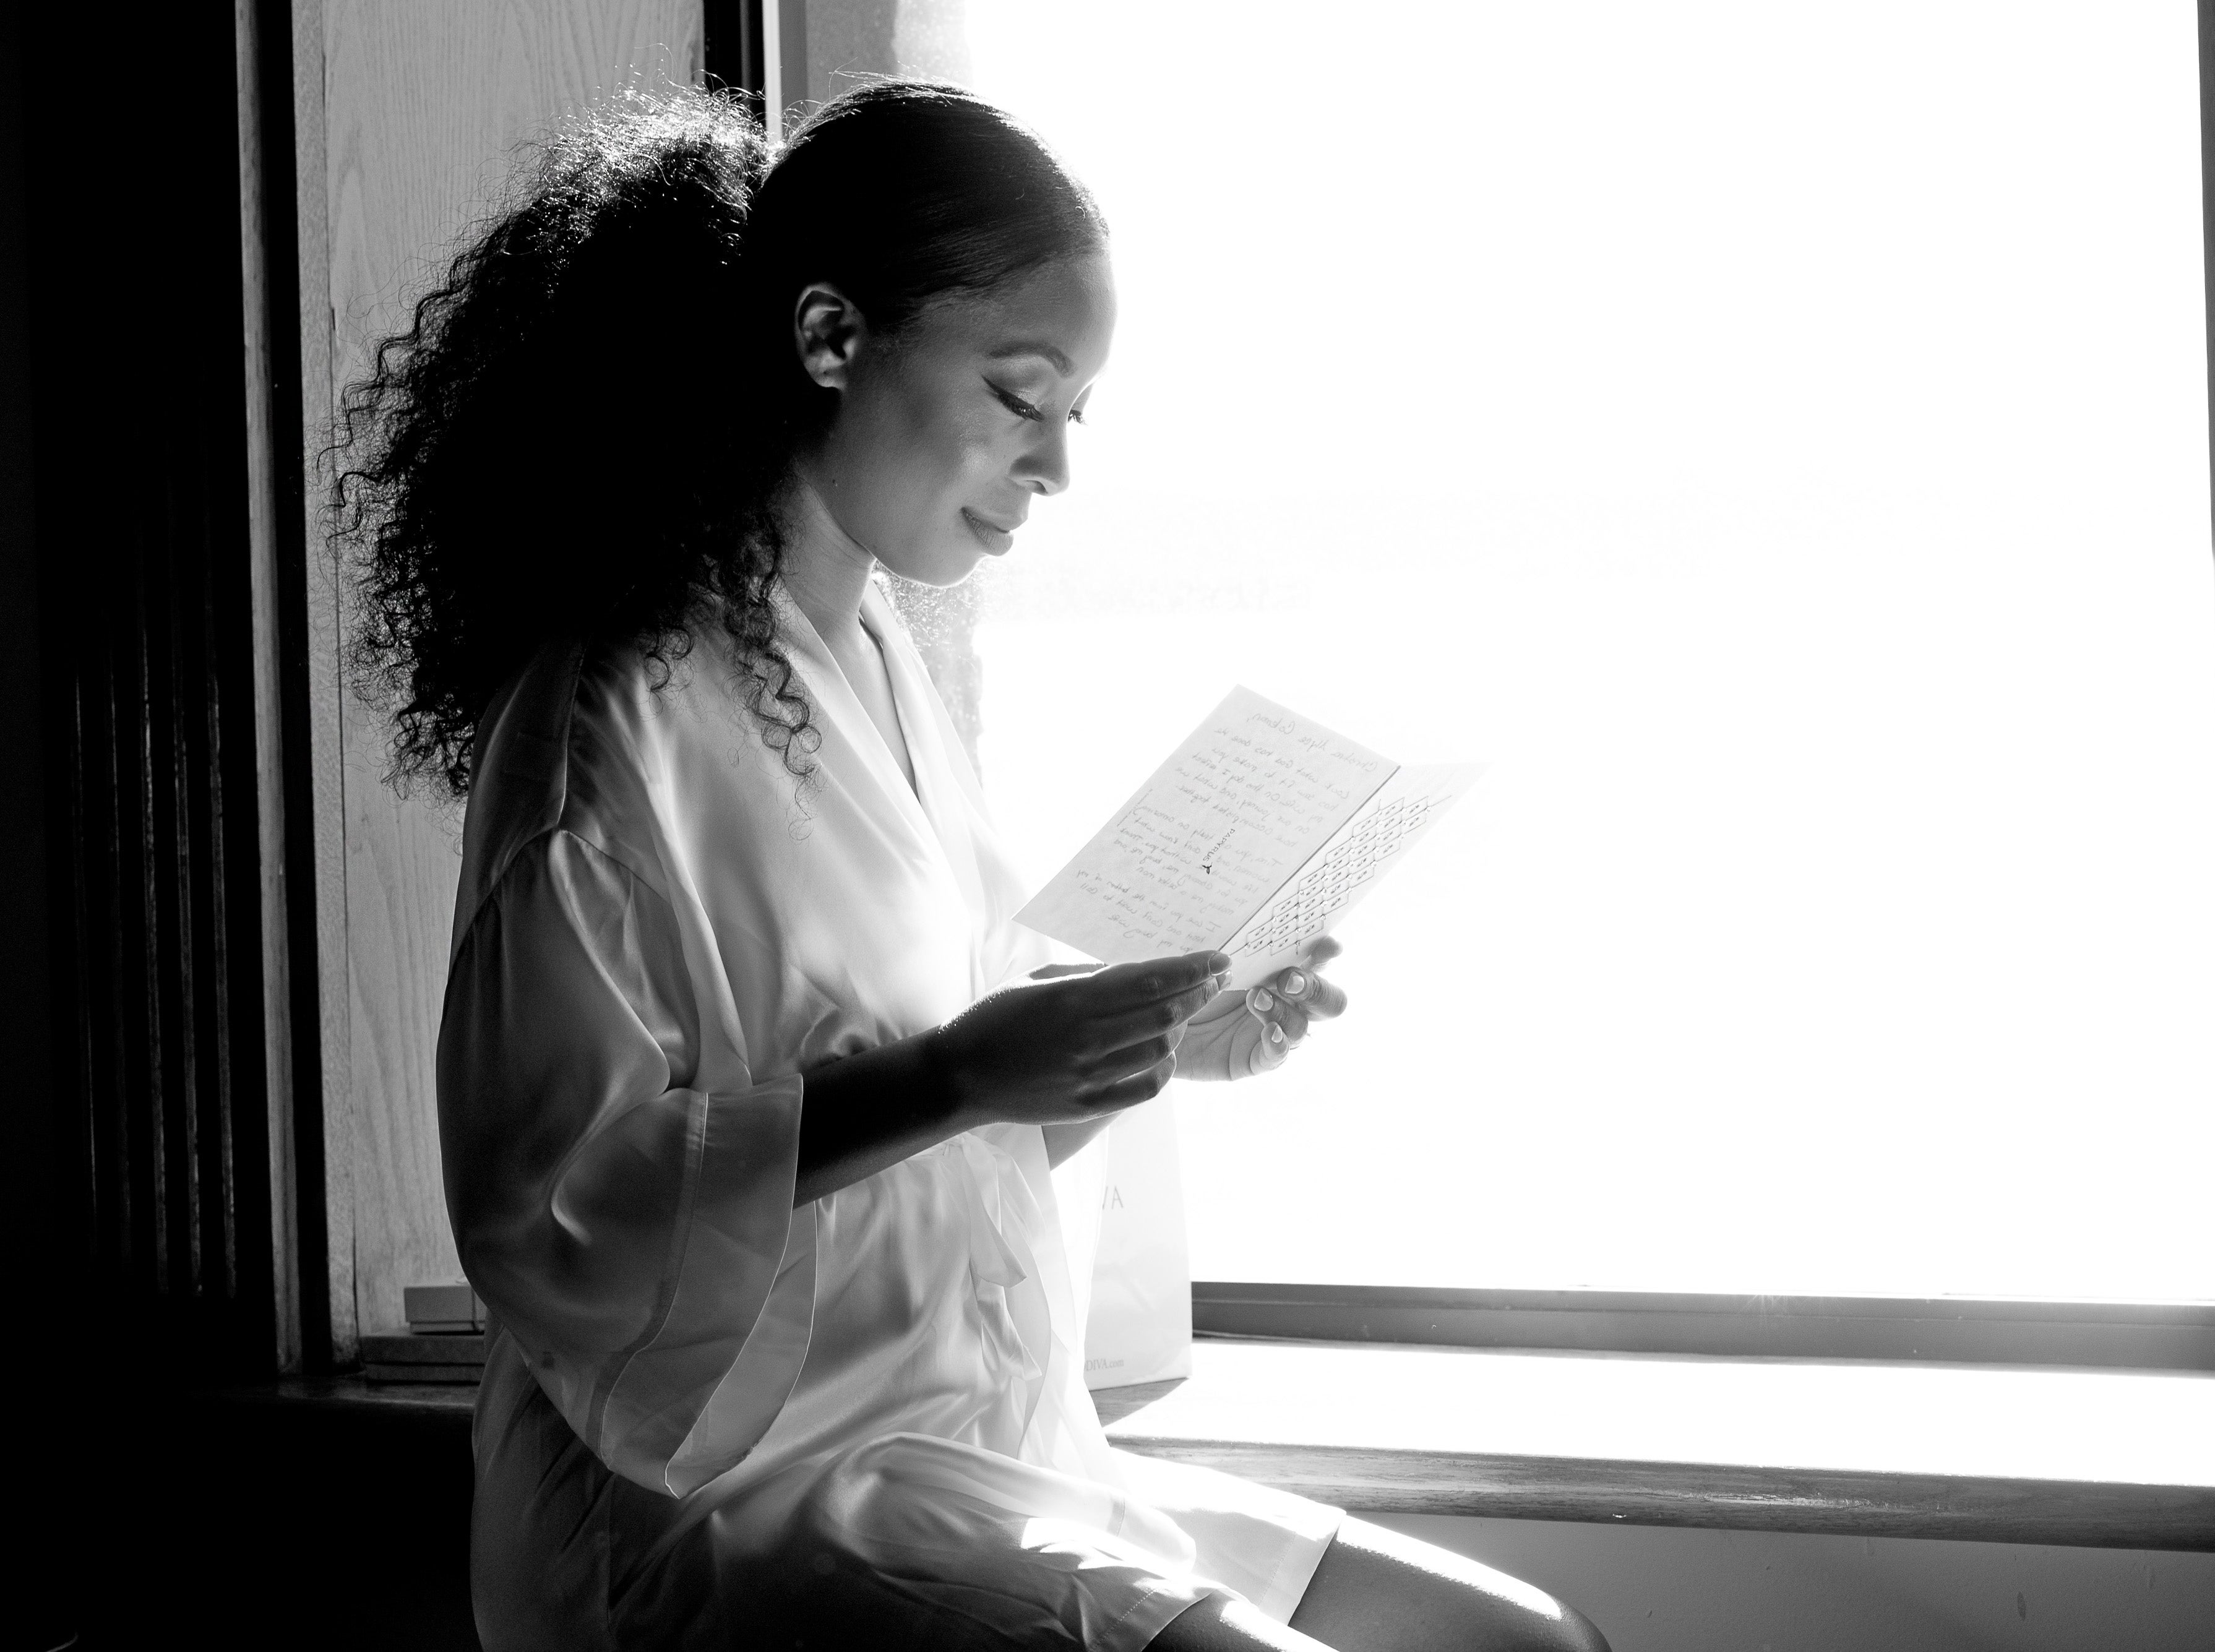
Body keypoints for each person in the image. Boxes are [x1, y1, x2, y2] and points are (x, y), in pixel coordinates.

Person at [340, 81, 1608, 1652]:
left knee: (1528, 1641)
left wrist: (1136, 1052)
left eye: (1076, 414)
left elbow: (932, 1157)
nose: (1055, 465)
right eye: (1021, 397)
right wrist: (958, 1074)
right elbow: (552, 1222)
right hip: (725, 1496)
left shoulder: (873, 661)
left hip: (967, 1442)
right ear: (829, 337)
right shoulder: (607, 723)